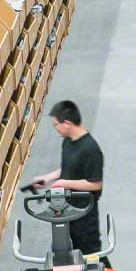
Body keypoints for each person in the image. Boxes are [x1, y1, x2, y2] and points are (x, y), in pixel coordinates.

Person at [29, 100, 105, 258]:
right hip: (66, 209)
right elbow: (69, 168)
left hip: (84, 212)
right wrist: (48, 178)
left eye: (56, 124)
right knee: (64, 253)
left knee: (92, 256)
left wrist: (64, 183)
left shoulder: (91, 149)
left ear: (67, 123)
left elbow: (95, 184)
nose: (55, 129)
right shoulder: (68, 142)